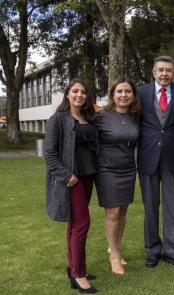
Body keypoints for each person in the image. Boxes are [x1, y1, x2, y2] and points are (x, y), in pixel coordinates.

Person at [137, 56, 174, 269]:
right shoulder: (140, 92)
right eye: (160, 69)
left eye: (168, 70)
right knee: (150, 206)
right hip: (148, 156)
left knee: (173, 207)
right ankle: (152, 250)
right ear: (153, 72)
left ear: (173, 73)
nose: (164, 74)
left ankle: (172, 251)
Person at [44, 79, 98, 293]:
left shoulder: (89, 118)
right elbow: (49, 153)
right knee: (82, 223)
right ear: (67, 94)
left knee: (74, 224)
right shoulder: (58, 119)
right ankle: (78, 274)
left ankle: (74, 267)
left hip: (88, 177)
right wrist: (66, 175)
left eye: (83, 92)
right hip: (72, 179)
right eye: (75, 91)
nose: (79, 95)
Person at [93, 78, 140, 275]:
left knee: (122, 212)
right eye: (119, 91)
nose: (123, 95)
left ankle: (116, 249)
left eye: (127, 91)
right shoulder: (101, 116)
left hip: (128, 169)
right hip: (106, 170)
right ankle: (113, 256)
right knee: (112, 213)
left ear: (133, 95)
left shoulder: (136, 116)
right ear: (113, 94)